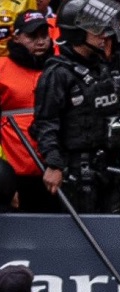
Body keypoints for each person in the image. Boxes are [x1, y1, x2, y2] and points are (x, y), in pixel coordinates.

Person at [30, 0, 120, 214]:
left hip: (110, 168)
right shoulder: (58, 73)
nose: (104, 34)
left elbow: (114, 115)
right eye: (96, 29)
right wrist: (53, 165)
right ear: (77, 33)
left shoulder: (102, 68)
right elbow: (45, 123)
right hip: (77, 171)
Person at [0, 10, 56, 213]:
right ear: (17, 37)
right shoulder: (2, 68)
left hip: (54, 171)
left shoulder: (58, 69)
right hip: (13, 174)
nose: (40, 42)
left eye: (44, 35)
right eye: (32, 36)